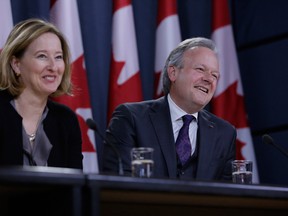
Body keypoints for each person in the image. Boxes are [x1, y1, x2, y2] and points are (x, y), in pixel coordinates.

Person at [102, 37, 236, 181]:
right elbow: (118, 185)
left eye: (214, 75)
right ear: (173, 73)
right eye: (200, 69)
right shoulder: (131, 119)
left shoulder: (224, 133)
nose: (209, 79)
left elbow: (227, 196)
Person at [0, 18, 83, 169]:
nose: (53, 66)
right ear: (16, 64)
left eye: (58, 57)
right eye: (42, 56)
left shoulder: (65, 120)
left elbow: (74, 188)